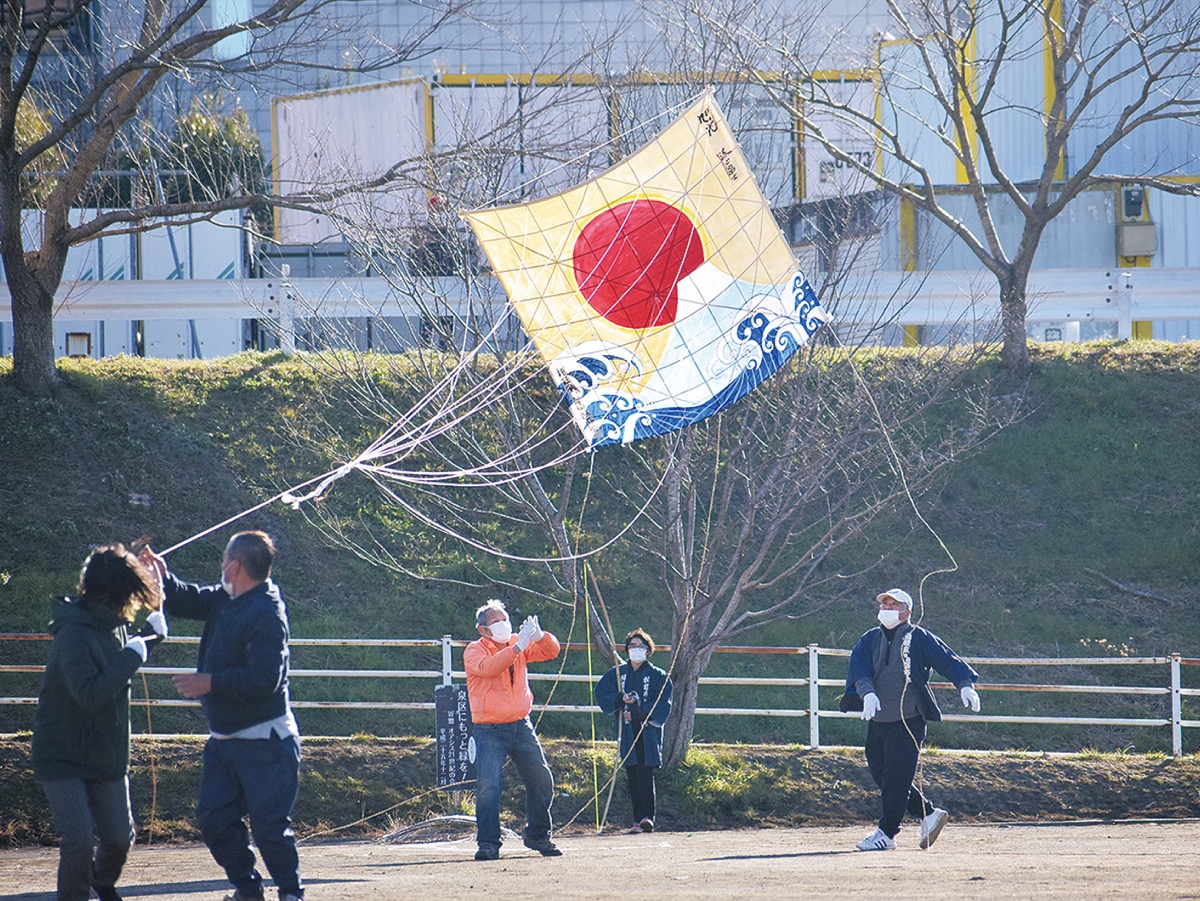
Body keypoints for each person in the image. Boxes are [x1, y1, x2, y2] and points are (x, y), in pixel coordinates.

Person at [139, 531, 303, 901]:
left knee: (269, 829)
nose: (220, 566)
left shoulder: (266, 612)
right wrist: (161, 579)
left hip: (266, 742)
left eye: (223, 559)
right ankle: (248, 890)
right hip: (225, 742)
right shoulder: (227, 597)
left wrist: (209, 683)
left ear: (235, 565)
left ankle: (292, 894)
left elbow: (266, 680)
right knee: (214, 820)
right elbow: (185, 600)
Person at [32, 544, 168, 901]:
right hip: (62, 754)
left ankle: (101, 885)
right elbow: (89, 694)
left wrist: (146, 641)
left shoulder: (116, 626)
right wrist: (137, 653)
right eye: (132, 593)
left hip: (105, 755)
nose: (135, 602)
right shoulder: (72, 636)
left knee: (119, 840)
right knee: (77, 840)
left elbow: (120, 665)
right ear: (116, 594)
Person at [842, 587, 981, 852]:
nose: (887, 609)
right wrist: (867, 693)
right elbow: (858, 669)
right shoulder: (869, 639)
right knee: (882, 775)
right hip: (879, 719)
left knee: (896, 778)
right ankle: (928, 813)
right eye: (884, 605)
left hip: (908, 719)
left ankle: (887, 833)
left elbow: (947, 660)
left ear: (907, 611)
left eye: (893, 605)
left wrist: (965, 684)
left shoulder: (919, 638)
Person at [463, 599, 562, 861]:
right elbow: (490, 667)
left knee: (541, 779)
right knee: (488, 787)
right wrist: (518, 646)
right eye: (496, 621)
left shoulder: (518, 643)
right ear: (482, 629)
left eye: (505, 619)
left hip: (521, 723)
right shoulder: (474, 650)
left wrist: (541, 637)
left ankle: (538, 835)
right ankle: (488, 842)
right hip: (489, 728)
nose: (503, 625)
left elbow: (551, 652)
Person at [595, 628, 673, 834]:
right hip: (628, 731)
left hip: (647, 731)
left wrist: (638, 711)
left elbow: (663, 704)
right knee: (632, 772)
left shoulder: (658, 676)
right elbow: (602, 692)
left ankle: (648, 818)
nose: (636, 650)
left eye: (640, 646)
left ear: (648, 650)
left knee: (646, 773)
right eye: (632, 646)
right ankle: (637, 819)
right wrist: (621, 698)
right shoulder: (618, 673)